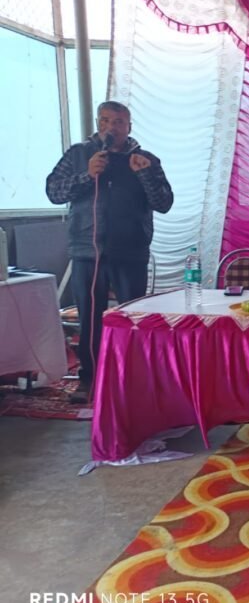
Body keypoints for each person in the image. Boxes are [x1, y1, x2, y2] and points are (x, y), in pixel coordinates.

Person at [46, 100, 173, 404]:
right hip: (87, 252)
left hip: (131, 253)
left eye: (118, 122)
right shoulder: (78, 155)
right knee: (90, 320)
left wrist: (144, 175)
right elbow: (53, 192)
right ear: (98, 123)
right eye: (105, 120)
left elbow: (164, 203)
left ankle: (130, 379)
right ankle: (89, 380)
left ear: (128, 127)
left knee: (131, 319)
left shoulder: (146, 159)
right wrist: (86, 175)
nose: (111, 127)